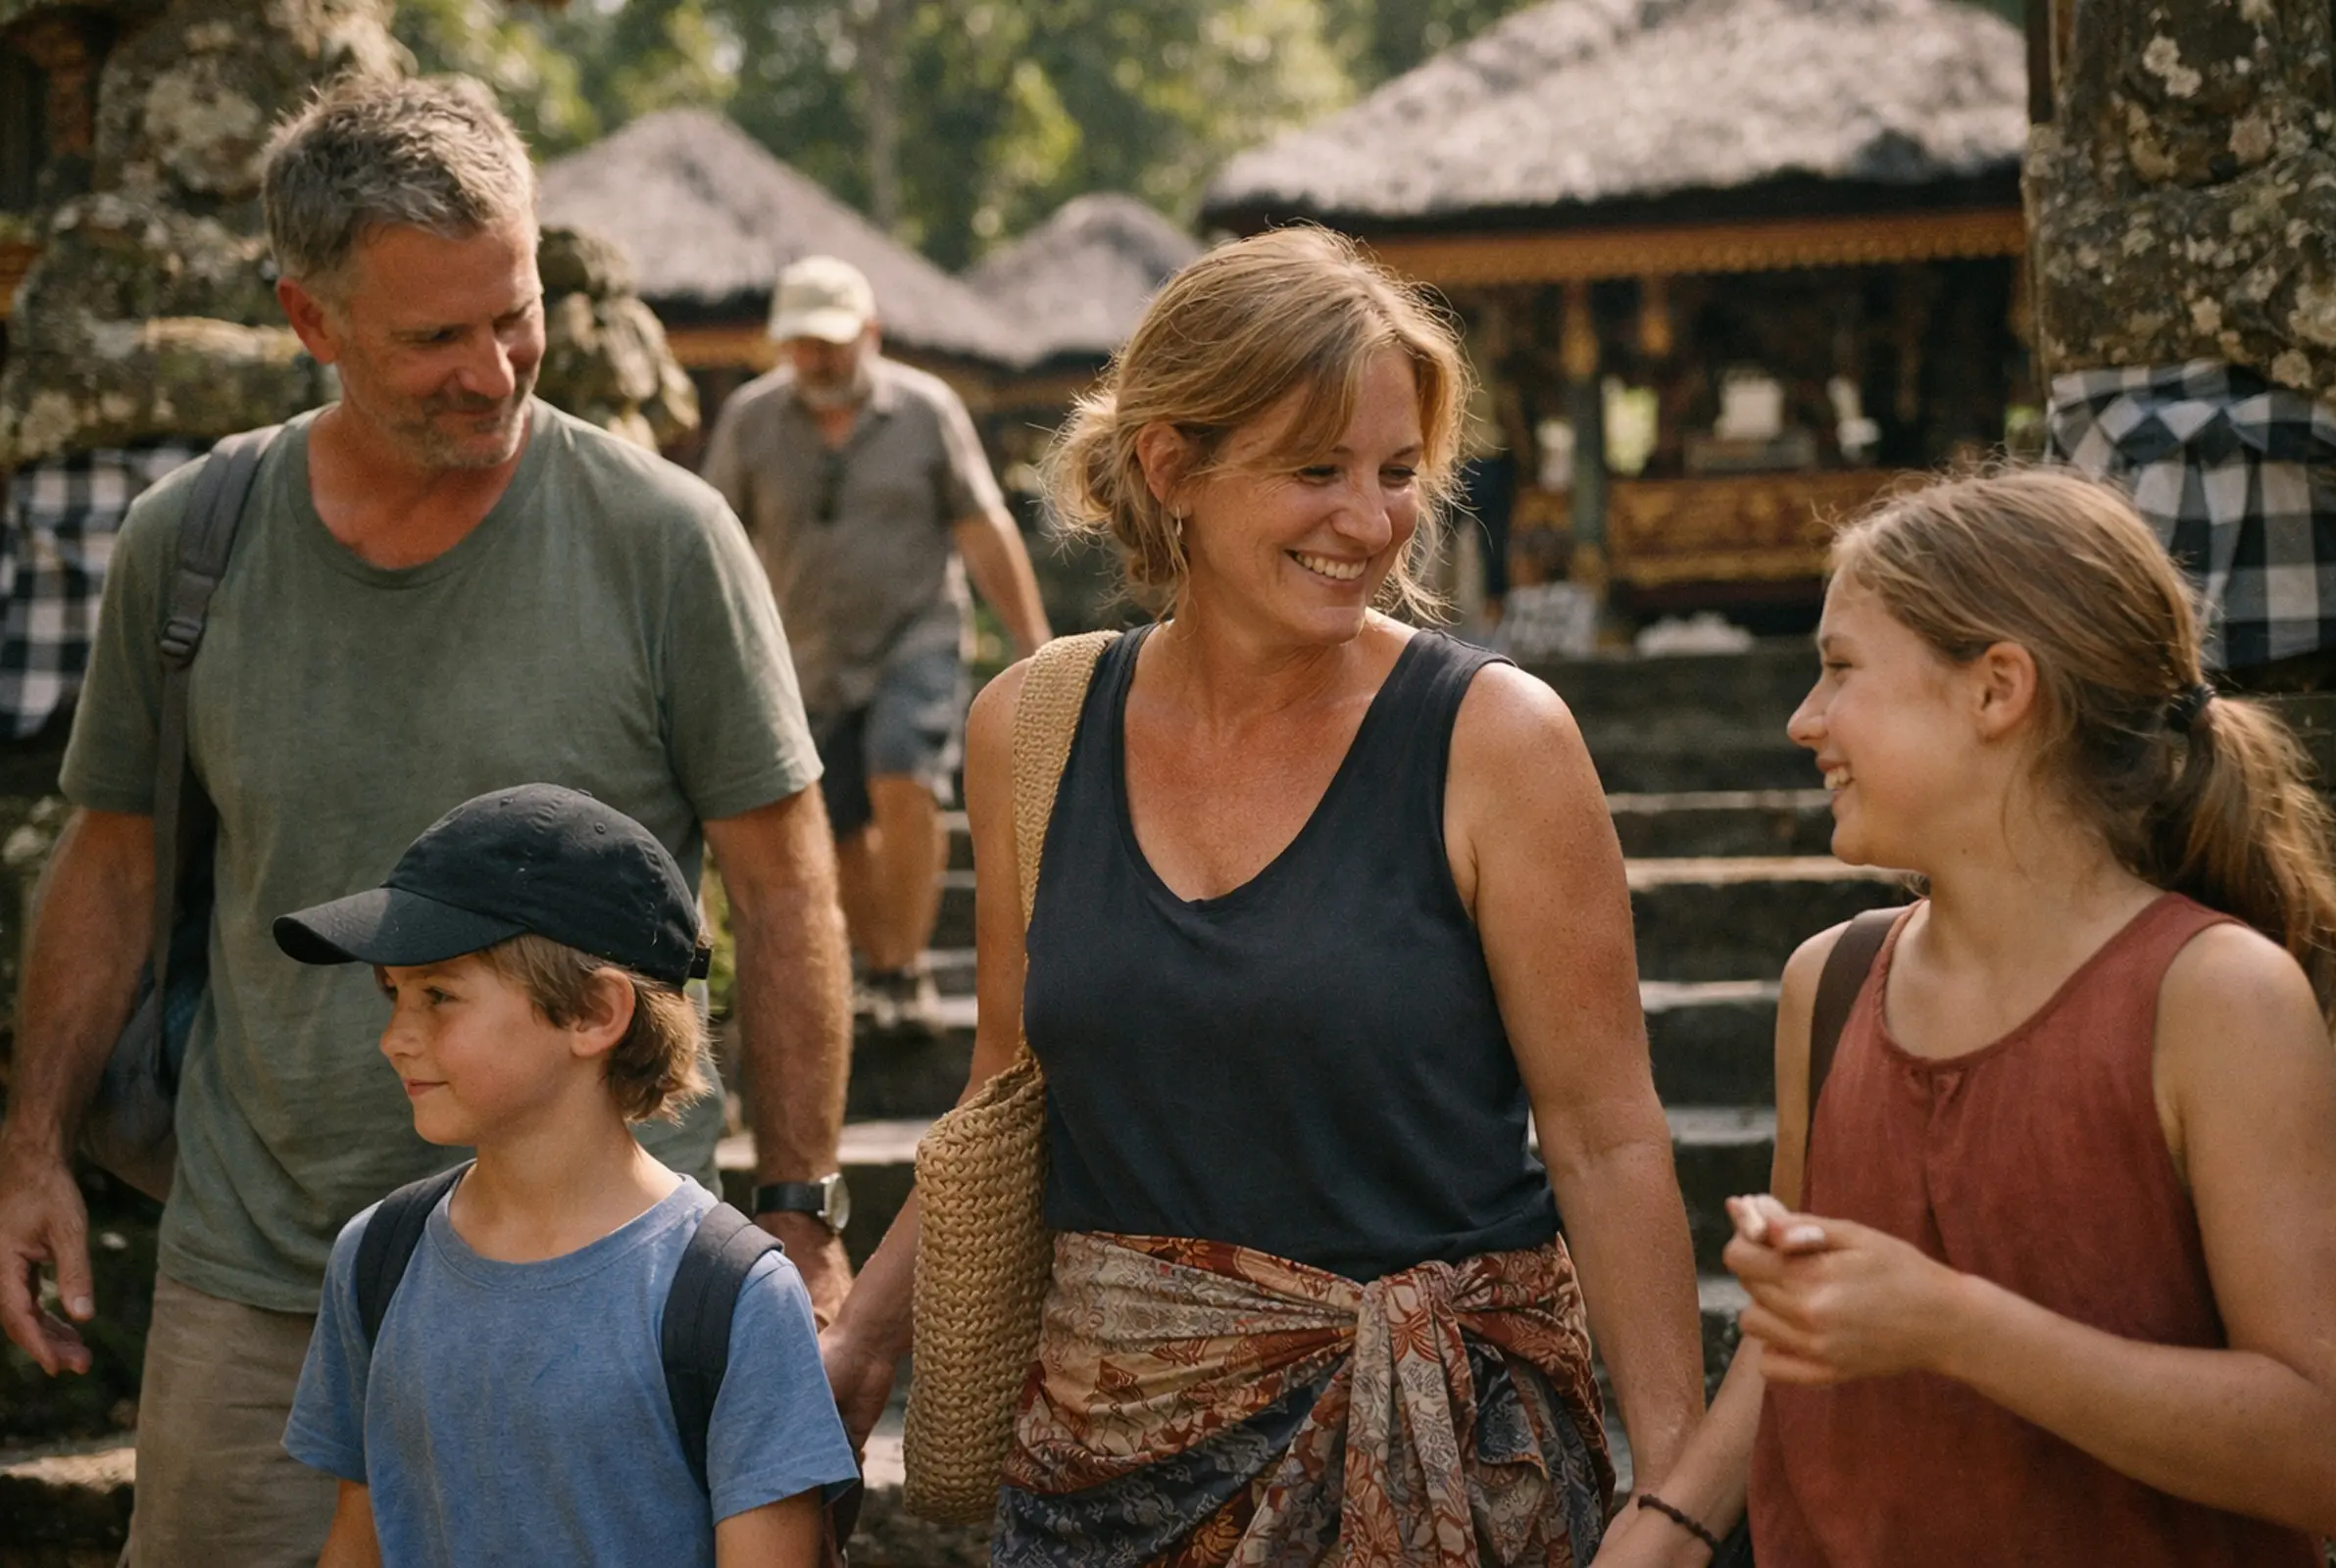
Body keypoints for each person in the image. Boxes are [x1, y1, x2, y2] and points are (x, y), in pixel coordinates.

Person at [0, 78, 855, 1567]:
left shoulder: (663, 541)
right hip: (258, 1276)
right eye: (434, 338)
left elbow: (783, 890)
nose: (495, 369)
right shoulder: (191, 544)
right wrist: (30, 1149)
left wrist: (798, 1206)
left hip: (601, 1287)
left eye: (513, 313)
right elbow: (115, 861)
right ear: (310, 321)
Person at [822, 226, 1704, 1560]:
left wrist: (1677, 1494)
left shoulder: (1496, 742)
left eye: (1399, 472)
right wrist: (866, 1336)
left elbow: (1606, 1135)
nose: (1373, 520)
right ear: (1174, 466)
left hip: (1444, 1482)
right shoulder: (1035, 727)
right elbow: (1011, 1085)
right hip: (1105, 1478)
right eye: (1316, 471)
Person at [1604, 470, 2336, 1566]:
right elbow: (1803, 1344)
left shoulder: (2213, 998)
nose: (1802, 719)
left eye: (1842, 668)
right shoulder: (1835, 979)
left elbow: (2328, 1449)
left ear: (1997, 689)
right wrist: (1668, 1531)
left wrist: (1954, 1326)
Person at [273, 784, 859, 1568]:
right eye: (391, 995)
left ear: (593, 1013)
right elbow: (360, 1540)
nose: (394, 1039)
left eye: (438, 996)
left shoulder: (731, 1294)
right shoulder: (377, 1256)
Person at [702, 256, 1052, 1037]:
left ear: (870, 334)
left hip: (914, 634)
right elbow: (713, 537)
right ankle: (884, 967)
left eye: (832, 342)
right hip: (807, 651)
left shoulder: (926, 411)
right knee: (838, 817)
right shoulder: (753, 422)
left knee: (902, 766)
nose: (818, 360)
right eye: (802, 344)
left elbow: (984, 528)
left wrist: (1034, 643)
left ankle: (906, 963)